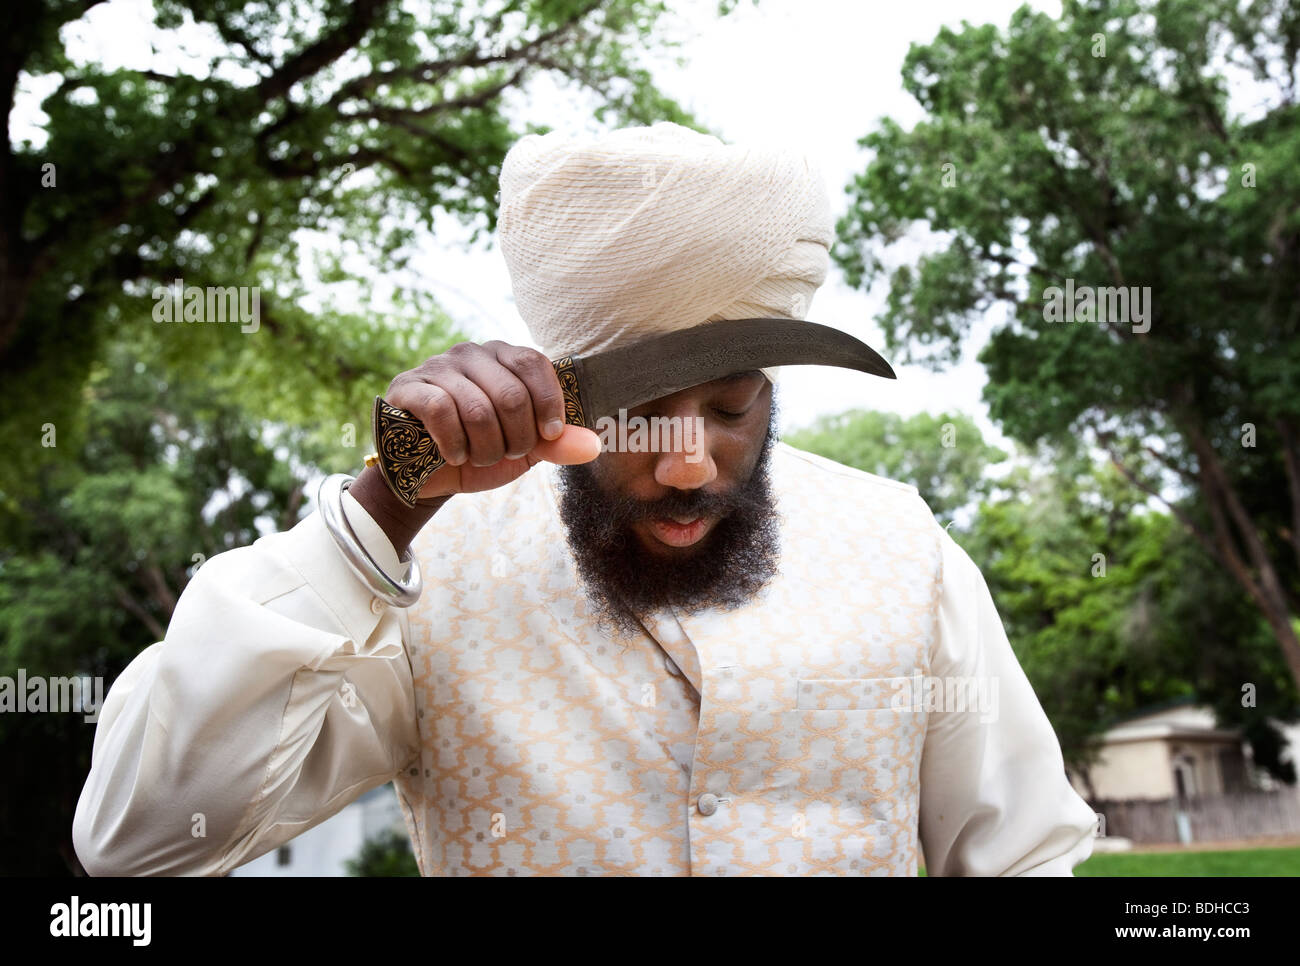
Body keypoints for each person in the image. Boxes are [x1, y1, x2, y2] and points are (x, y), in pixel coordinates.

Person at [73, 122, 1098, 876]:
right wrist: (381, 510)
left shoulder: (901, 547)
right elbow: (139, 841)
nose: (689, 462)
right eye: (639, 414)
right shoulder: (425, 573)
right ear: (558, 396)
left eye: (730, 406)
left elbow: (1022, 855)